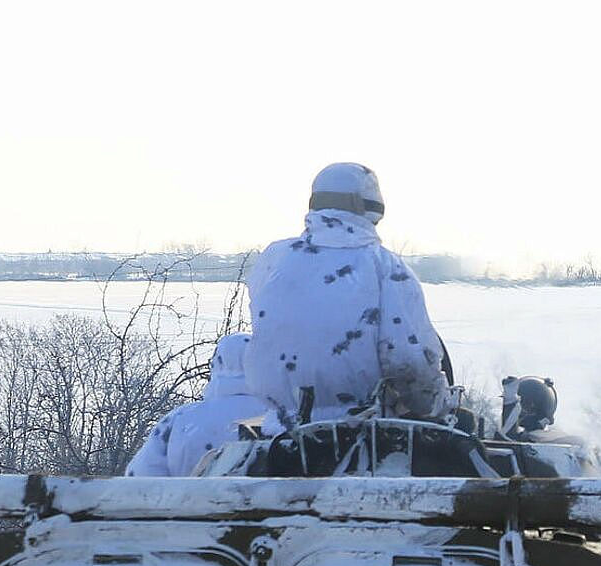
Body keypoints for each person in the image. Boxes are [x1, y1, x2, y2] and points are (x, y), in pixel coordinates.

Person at [243, 163, 450, 423]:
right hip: (359, 432)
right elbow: (408, 361)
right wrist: (434, 404)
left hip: (278, 427)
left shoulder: (275, 258)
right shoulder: (386, 267)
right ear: (373, 207)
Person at [125, 333, 269, 477]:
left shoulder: (179, 419)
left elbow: (140, 476)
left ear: (216, 363)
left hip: (187, 499)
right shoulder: (280, 420)